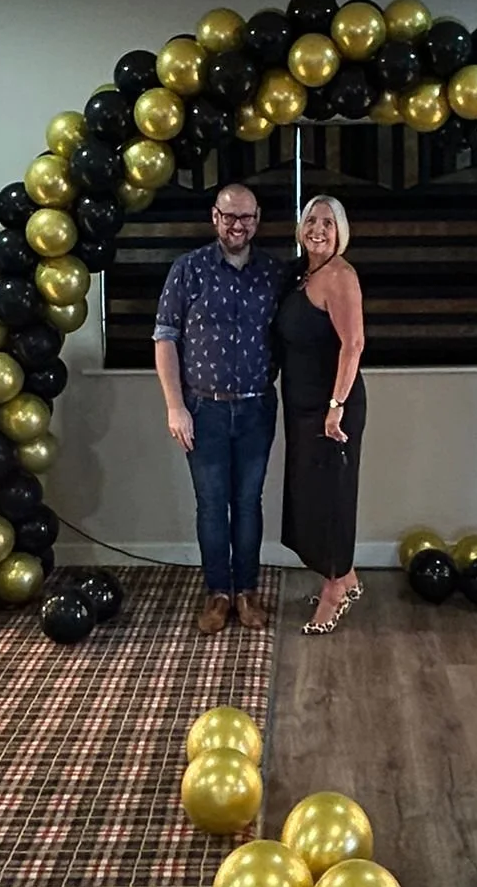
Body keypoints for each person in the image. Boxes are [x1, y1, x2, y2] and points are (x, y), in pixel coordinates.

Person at [153, 184, 283, 633]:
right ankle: (217, 594)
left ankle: (247, 592)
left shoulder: (273, 273)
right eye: (229, 216)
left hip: (257, 409)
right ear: (214, 217)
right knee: (211, 505)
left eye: (246, 217)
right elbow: (165, 339)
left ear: (257, 218)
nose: (237, 225)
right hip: (202, 411)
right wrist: (175, 408)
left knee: (248, 503)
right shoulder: (187, 271)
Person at [275, 194, 366, 635]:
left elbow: (353, 345)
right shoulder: (301, 274)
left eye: (328, 222)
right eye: (311, 220)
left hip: (332, 409)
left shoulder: (341, 276)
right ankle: (344, 576)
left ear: (340, 231)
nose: (318, 229)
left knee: (330, 499)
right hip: (301, 406)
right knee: (309, 498)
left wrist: (336, 408)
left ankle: (334, 592)